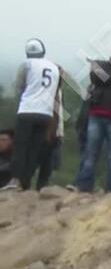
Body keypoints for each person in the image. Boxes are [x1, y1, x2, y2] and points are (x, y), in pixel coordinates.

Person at [74, 36, 111, 193]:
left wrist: (108, 78)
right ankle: (82, 186)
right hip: (96, 114)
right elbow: (96, 76)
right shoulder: (104, 64)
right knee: (90, 153)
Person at [13, 39, 62, 191]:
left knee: (21, 146)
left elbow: (19, 86)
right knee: (34, 149)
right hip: (45, 113)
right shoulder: (54, 67)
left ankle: (16, 180)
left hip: (27, 110)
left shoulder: (27, 64)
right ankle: (26, 182)